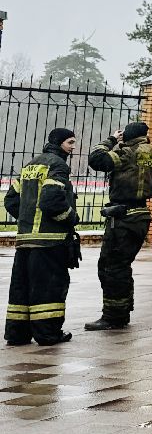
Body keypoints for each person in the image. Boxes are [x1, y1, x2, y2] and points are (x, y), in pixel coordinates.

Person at [4, 128, 81, 346]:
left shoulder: (30, 165)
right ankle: (48, 334)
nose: (73, 147)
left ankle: (17, 334)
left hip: (25, 240)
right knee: (48, 287)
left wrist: (28, 218)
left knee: (21, 287)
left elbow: (11, 201)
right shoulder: (57, 166)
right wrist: (71, 218)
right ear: (59, 143)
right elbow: (51, 202)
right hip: (50, 241)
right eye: (70, 142)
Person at [84, 122, 152, 331]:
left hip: (125, 217)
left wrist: (110, 140)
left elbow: (97, 160)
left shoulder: (128, 152)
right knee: (121, 266)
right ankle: (122, 310)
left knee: (112, 267)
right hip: (140, 215)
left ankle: (113, 316)